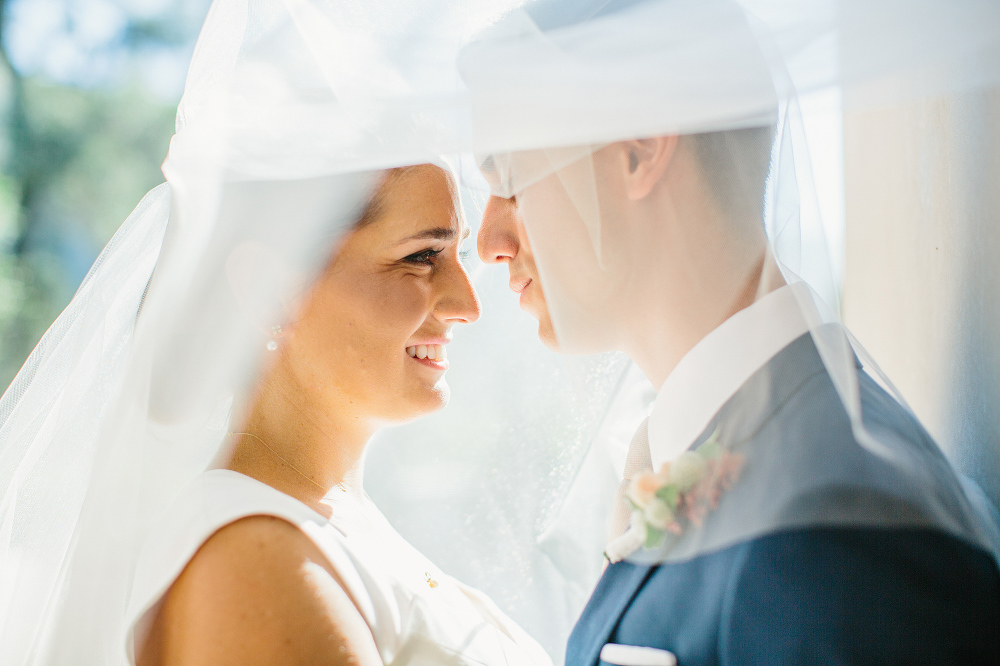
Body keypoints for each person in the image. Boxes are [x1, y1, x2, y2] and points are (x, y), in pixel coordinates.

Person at [0, 0, 560, 663]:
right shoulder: (254, 557)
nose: (467, 303)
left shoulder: (331, 526)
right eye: (419, 257)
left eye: (459, 256)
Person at [462, 0, 1000, 663]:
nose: (488, 242)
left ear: (639, 150)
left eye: (511, 181)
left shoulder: (835, 526)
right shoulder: (723, 448)